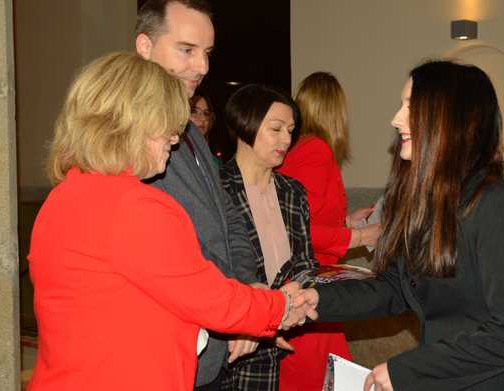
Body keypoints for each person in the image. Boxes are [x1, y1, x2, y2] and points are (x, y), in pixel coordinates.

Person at [27, 52, 313, 391]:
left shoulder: (64, 196)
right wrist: (283, 305)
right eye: (167, 125)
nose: (175, 139)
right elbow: (213, 299)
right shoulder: (132, 205)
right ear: (130, 124)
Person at [299, 60, 504, 391]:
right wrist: (316, 299)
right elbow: (393, 288)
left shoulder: (496, 207)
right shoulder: (428, 204)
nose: (395, 119)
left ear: (450, 120)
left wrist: (407, 370)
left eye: (410, 107)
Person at [135, 1, 262, 388]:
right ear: (145, 47)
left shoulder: (190, 131)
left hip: (213, 350)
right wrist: (245, 309)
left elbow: (230, 222)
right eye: (187, 50)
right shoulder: (129, 138)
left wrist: (248, 290)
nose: (203, 67)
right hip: (160, 358)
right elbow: (167, 255)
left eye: (207, 53)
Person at [276, 71, 381, 390]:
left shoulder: (301, 151)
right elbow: (297, 227)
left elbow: (307, 214)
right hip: (309, 286)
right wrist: (362, 236)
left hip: (306, 285)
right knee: (322, 378)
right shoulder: (317, 152)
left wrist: (348, 222)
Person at [219, 84, 319, 391]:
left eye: (290, 130)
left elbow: (305, 263)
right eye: (275, 129)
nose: (286, 140)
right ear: (244, 124)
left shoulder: (293, 193)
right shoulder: (217, 187)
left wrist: (297, 297)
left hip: (276, 345)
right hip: (226, 344)